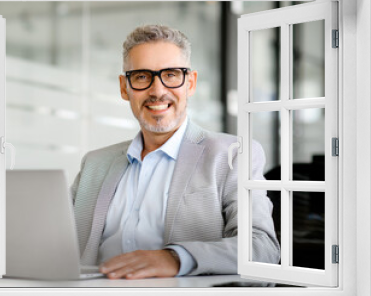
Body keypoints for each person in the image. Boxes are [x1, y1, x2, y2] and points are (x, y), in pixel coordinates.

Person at [70, 25, 280, 280]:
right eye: (141, 77)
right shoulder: (94, 164)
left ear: (190, 83)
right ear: (124, 88)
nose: (157, 91)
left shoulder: (234, 155)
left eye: (170, 75)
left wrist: (176, 258)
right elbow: (56, 242)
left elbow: (262, 248)